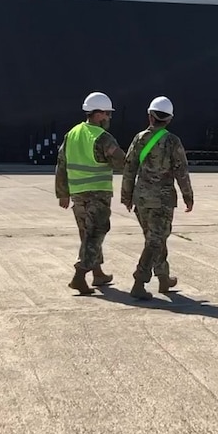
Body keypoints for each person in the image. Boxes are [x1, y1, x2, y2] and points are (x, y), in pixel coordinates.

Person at [121, 96, 194, 300]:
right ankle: (139, 281)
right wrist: (188, 195)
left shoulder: (139, 138)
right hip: (162, 201)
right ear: (169, 119)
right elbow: (182, 171)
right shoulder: (172, 141)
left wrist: (126, 196)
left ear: (149, 116)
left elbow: (129, 168)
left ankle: (163, 277)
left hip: (141, 199)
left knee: (154, 238)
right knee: (155, 240)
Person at [56, 91, 128, 295]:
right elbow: (123, 162)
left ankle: (98, 273)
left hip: (78, 194)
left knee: (87, 234)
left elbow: (61, 164)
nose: (109, 118)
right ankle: (79, 276)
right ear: (98, 114)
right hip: (97, 194)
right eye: (107, 114)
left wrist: (63, 193)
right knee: (96, 234)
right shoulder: (102, 137)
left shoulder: (72, 134)